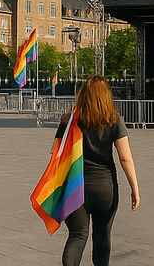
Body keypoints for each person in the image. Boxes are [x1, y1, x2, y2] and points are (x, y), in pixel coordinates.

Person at [54, 75, 141, 266]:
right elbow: (125, 158)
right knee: (102, 235)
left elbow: (55, 153)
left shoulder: (69, 120)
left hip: (74, 187)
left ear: (83, 95)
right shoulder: (113, 120)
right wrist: (134, 188)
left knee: (77, 235)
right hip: (105, 187)